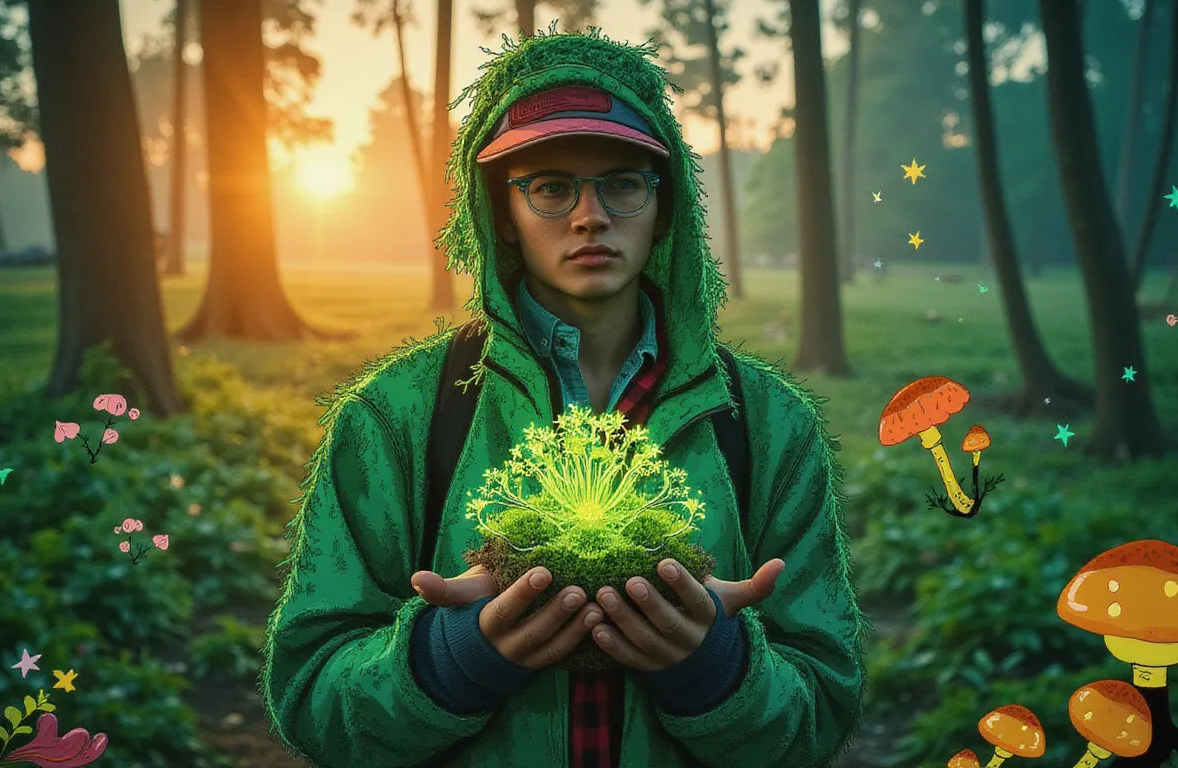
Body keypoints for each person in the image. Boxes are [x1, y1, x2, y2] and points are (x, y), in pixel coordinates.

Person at [262, 26, 868, 768]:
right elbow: (310, 694)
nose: (590, 216)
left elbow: (824, 708)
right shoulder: (394, 418)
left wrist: (716, 669)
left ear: (665, 206)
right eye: (550, 186)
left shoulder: (771, 427)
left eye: (622, 182)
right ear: (502, 217)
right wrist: (449, 661)